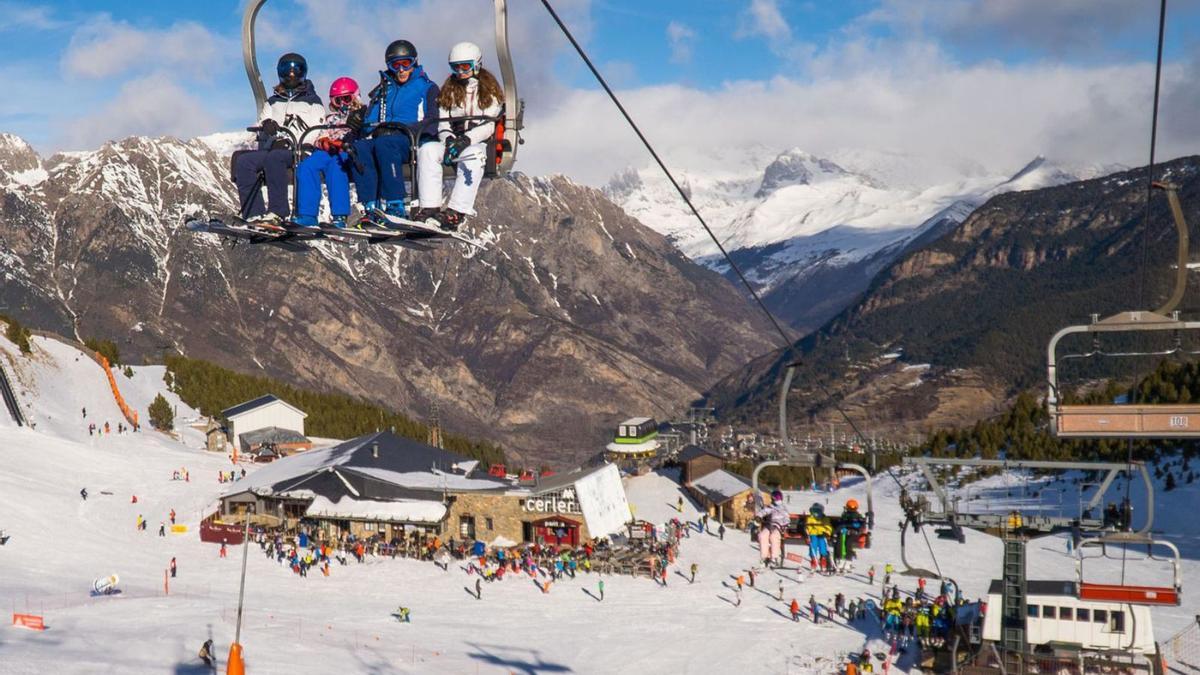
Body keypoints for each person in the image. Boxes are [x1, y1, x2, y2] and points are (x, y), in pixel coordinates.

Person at [415, 41, 504, 231]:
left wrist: (466, 140)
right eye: (456, 67)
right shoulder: (449, 90)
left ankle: (456, 212)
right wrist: (447, 138)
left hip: (475, 142)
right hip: (453, 139)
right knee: (428, 150)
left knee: (474, 157)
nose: (460, 71)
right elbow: (443, 120)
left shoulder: (490, 91)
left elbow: (489, 124)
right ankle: (429, 206)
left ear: (476, 65)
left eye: (465, 66)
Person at [351, 40, 439, 224]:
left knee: (385, 144)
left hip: (410, 139)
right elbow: (369, 122)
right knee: (359, 147)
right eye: (395, 65)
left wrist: (405, 129)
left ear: (414, 62)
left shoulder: (426, 87)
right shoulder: (384, 90)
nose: (400, 70)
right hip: (384, 138)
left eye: (405, 63)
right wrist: (360, 122)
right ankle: (370, 207)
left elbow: (432, 121)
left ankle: (395, 204)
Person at [232, 53, 324, 223]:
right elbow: (263, 119)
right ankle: (254, 214)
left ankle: (278, 212)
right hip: (275, 148)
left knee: (275, 158)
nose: (291, 75)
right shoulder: (273, 101)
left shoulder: (312, 101)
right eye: (287, 70)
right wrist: (267, 124)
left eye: (296, 70)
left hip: (299, 149)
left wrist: (299, 143)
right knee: (244, 161)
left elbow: (317, 127)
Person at [293, 77, 363, 229]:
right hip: (328, 150)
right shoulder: (330, 118)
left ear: (355, 97)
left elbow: (364, 134)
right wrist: (323, 141)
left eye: (346, 99)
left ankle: (339, 215)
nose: (343, 104)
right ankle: (308, 214)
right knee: (306, 167)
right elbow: (320, 134)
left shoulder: (361, 115)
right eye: (338, 101)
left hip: (345, 151)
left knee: (336, 167)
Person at [756, 490, 789, 567]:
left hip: (778, 526)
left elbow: (787, 518)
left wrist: (785, 525)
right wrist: (759, 516)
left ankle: (774, 558)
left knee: (773, 537)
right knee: (762, 535)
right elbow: (764, 511)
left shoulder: (783, 508)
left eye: (773, 499)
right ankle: (764, 557)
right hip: (769, 525)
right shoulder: (771, 506)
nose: (772, 500)